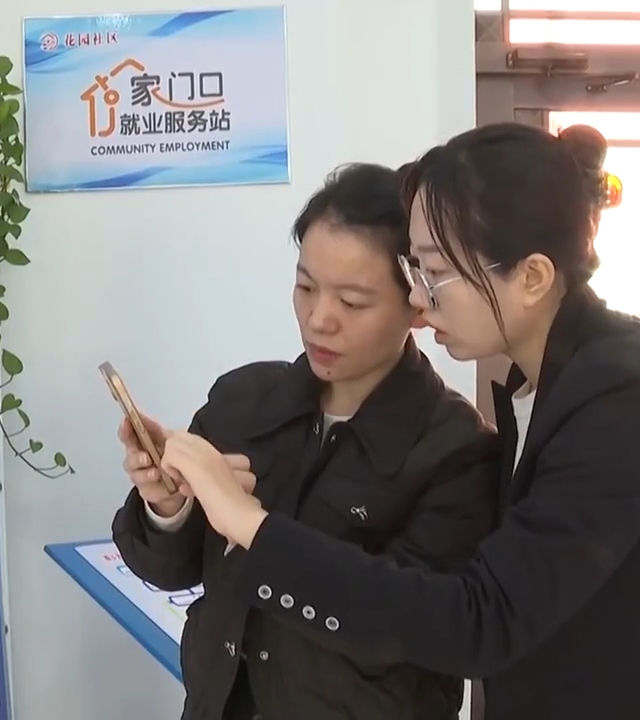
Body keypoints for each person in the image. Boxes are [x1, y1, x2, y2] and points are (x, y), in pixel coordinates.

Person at [156, 124, 640, 719]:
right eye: (416, 270)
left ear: (532, 277)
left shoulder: (622, 393)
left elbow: (482, 619)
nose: (420, 300)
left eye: (434, 274)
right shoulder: (542, 385)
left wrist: (249, 523)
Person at [111, 163, 498, 720]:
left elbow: (412, 623)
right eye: (306, 287)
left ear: (417, 301)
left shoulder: (456, 450)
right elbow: (170, 570)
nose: (319, 319)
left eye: (353, 302)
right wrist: (168, 508)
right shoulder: (242, 400)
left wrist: (250, 521)